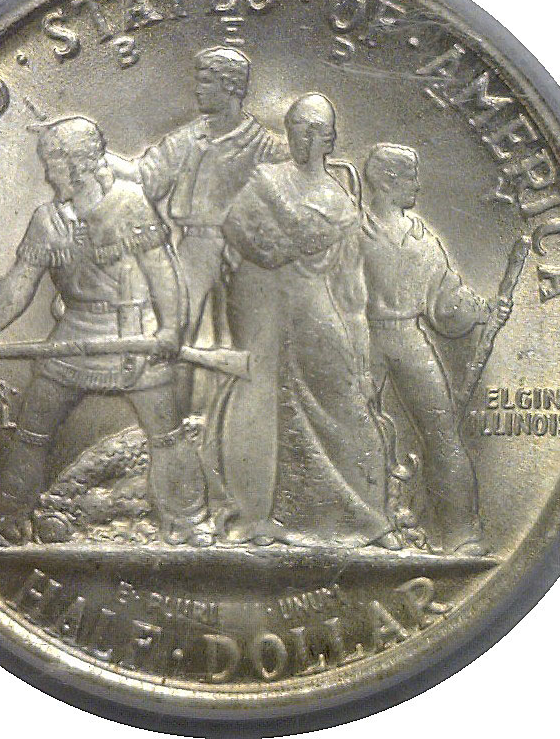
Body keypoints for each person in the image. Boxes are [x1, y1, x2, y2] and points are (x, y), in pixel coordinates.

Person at [0, 116, 212, 549]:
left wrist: (171, 328)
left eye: (53, 163)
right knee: (32, 431)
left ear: (77, 164)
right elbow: (20, 282)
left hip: (134, 334)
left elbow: (162, 271)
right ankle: (6, 522)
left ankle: (187, 521)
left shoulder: (130, 204)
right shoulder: (47, 221)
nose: (47, 174)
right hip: (74, 331)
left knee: (166, 434)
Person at [221, 94, 397, 548]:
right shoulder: (267, 182)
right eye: (299, 127)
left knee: (347, 404)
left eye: (317, 129)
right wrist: (280, 248)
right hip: (265, 311)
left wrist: (360, 347)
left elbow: (350, 281)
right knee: (273, 412)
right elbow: (238, 231)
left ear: (331, 139)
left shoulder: (339, 199)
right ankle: (274, 518)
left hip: (316, 311)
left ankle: (371, 519)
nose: (307, 137)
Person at [111, 46, 287, 419]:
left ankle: (240, 429)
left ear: (230, 86)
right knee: (175, 332)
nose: (197, 89)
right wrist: (100, 156)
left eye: (206, 81)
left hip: (250, 254)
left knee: (252, 337)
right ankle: (173, 423)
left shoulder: (266, 146)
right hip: (196, 245)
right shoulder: (187, 139)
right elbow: (147, 177)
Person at [358, 143, 511, 555]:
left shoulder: (423, 239)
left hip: (409, 336)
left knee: (442, 433)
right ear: (387, 181)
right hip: (359, 339)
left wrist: (484, 311)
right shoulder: (352, 232)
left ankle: (461, 534)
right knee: (352, 428)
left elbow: (446, 303)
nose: (417, 185)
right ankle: (358, 528)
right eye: (410, 177)